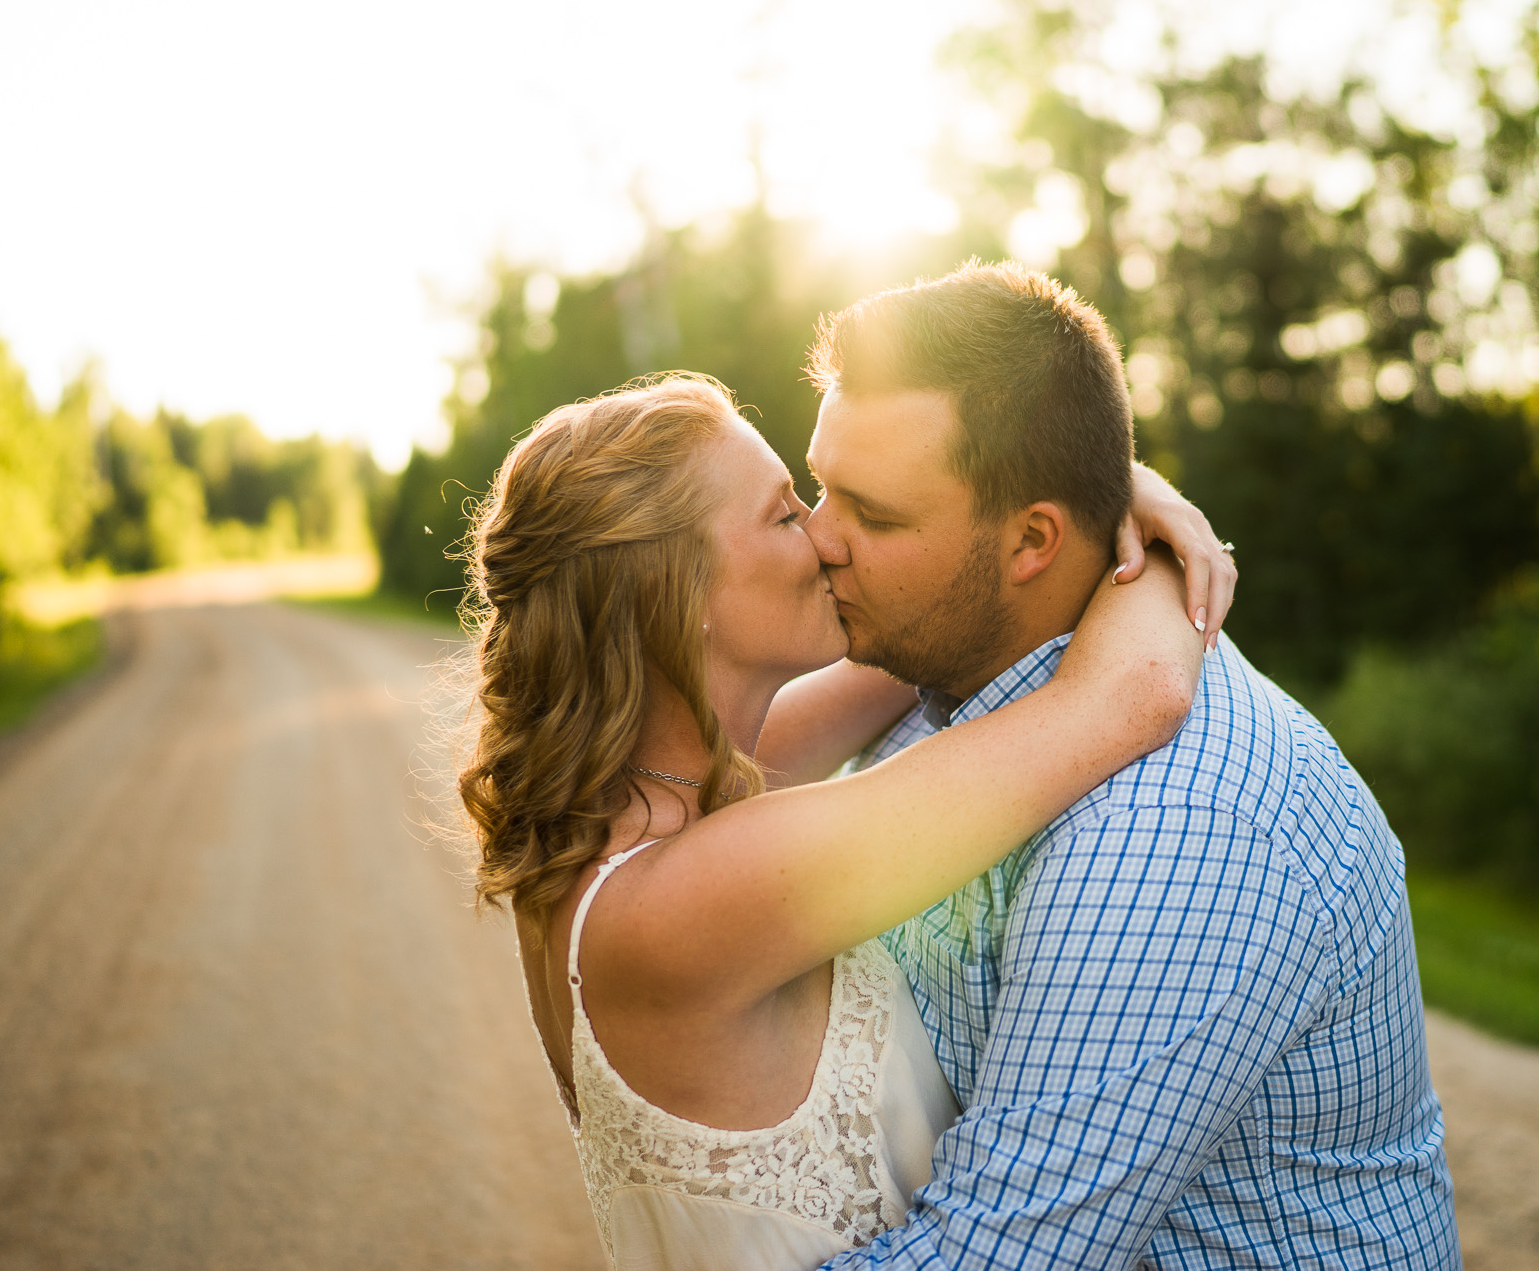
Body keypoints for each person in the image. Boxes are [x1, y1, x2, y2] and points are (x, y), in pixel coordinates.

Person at [457, 372, 1225, 1270]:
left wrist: (1098, 490)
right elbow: (1136, 693)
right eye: (786, 516)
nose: (825, 536)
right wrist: (1165, 554)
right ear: (678, 593)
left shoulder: (638, 807)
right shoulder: (684, 901)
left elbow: (950, 613)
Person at [802, 261, 1461, 1269]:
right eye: (818, 488)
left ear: (1033, 539)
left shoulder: (1175, 824)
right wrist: (1122, 484)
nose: (816, 540)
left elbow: (991, 1257)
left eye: (874, 515)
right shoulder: (938, 680)